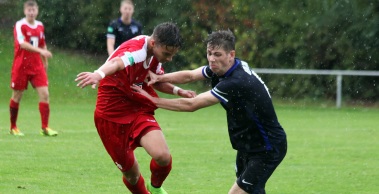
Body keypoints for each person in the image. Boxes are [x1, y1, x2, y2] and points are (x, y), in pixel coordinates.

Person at [132, 30, 287, 194]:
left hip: (267, 147)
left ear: (231, 54)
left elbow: (192, 104)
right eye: (209, 53)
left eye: (218, 54)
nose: (212, 59)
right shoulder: (224, 68)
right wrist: (160, 77)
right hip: (249, 144)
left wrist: (153, 100)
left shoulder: (236, 81)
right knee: (253, 190)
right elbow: (191, 76)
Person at [75, 22, 195, 194]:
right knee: (132, 175)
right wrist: (98, 74)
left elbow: (155, 80)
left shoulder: (154, 54)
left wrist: (178, 90)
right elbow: (116, 62)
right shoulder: (137, 50)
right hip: (110, 113)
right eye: (167, 54)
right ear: (154, 43)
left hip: (136, 106)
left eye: (172, 55)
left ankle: (155, 188)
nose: (169, 58)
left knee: (162, 156)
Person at [9, 0, 58, 137]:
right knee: (17, 96)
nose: (31, 12)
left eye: (33, 10)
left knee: (45, 94)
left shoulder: (40, 26)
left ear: (37, 11)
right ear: (25, 11)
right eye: (29, 10)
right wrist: (41, 52)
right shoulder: (20, 25)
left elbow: (43, 44)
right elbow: (22, 43)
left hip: (37, 66)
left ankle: (45, 127)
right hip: (21, 66)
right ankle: (13, 127)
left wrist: (45, 61)